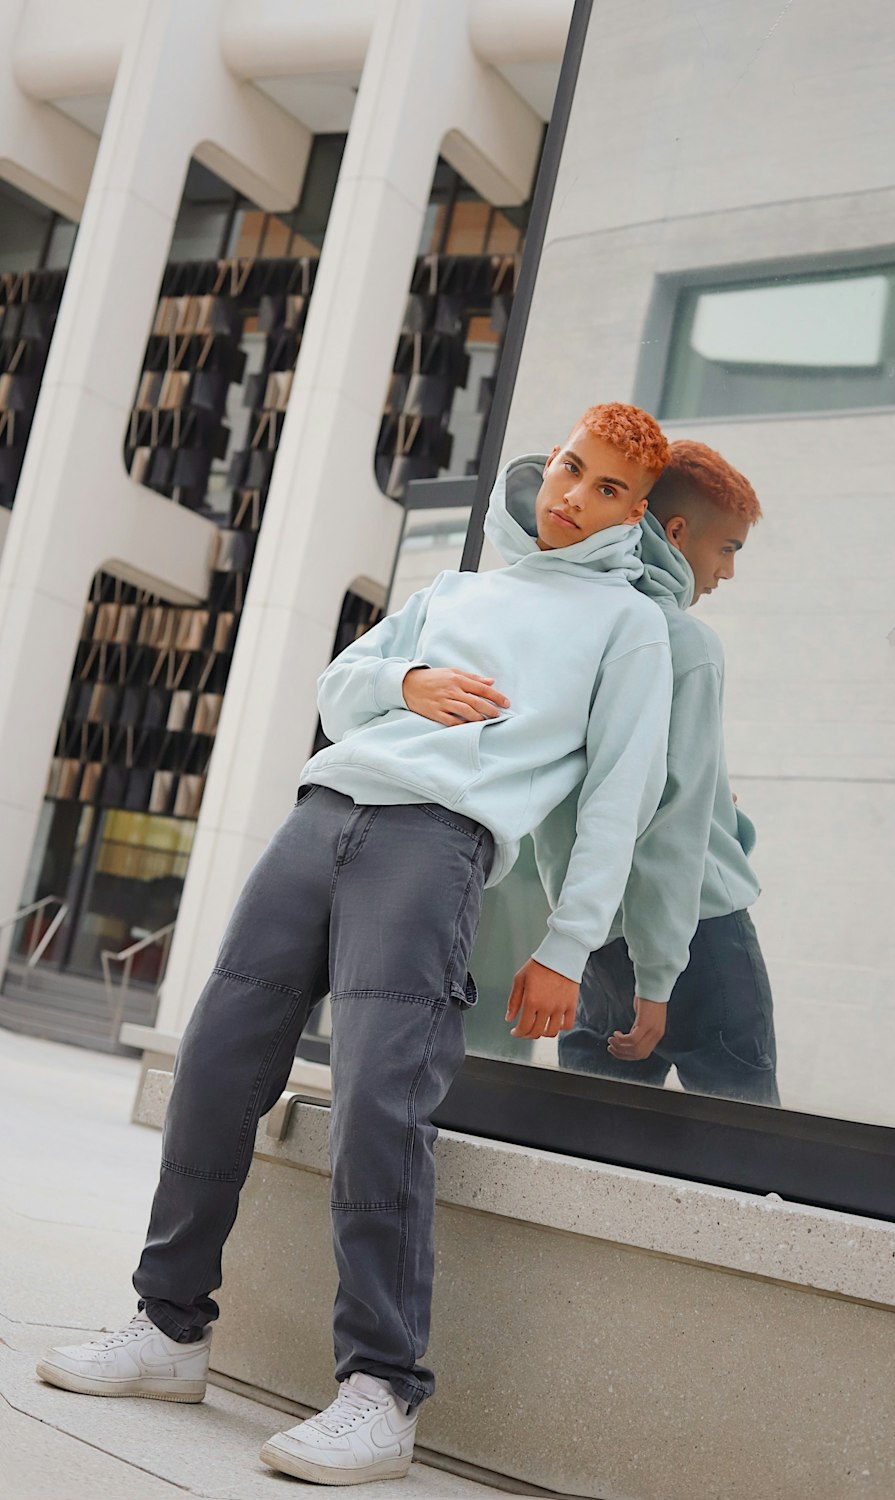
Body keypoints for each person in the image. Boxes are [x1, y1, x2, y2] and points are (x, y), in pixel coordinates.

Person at [37, 403, 674, 1487]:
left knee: (382, 1099)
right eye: (572, 468)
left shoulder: (629, 626)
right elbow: (340, 687)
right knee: (214, 1064)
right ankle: (168, 1331)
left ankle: (381, 1391)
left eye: (607, 488)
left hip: (436, 849)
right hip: (321, 818)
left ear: (636, 513)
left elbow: (620, 799)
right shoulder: (458, 591)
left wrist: (568, 947)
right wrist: (404, 684)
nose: (574, 496)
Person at [532, 441, 779, 1106]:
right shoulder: (685, 643)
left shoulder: (578, 623)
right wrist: (661, 976)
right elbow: (675, 814)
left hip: (596, 927)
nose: (727, 572)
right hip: (691, 928)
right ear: (675, 533)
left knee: (587, 1138)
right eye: (727, 548)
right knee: (748, 1152)